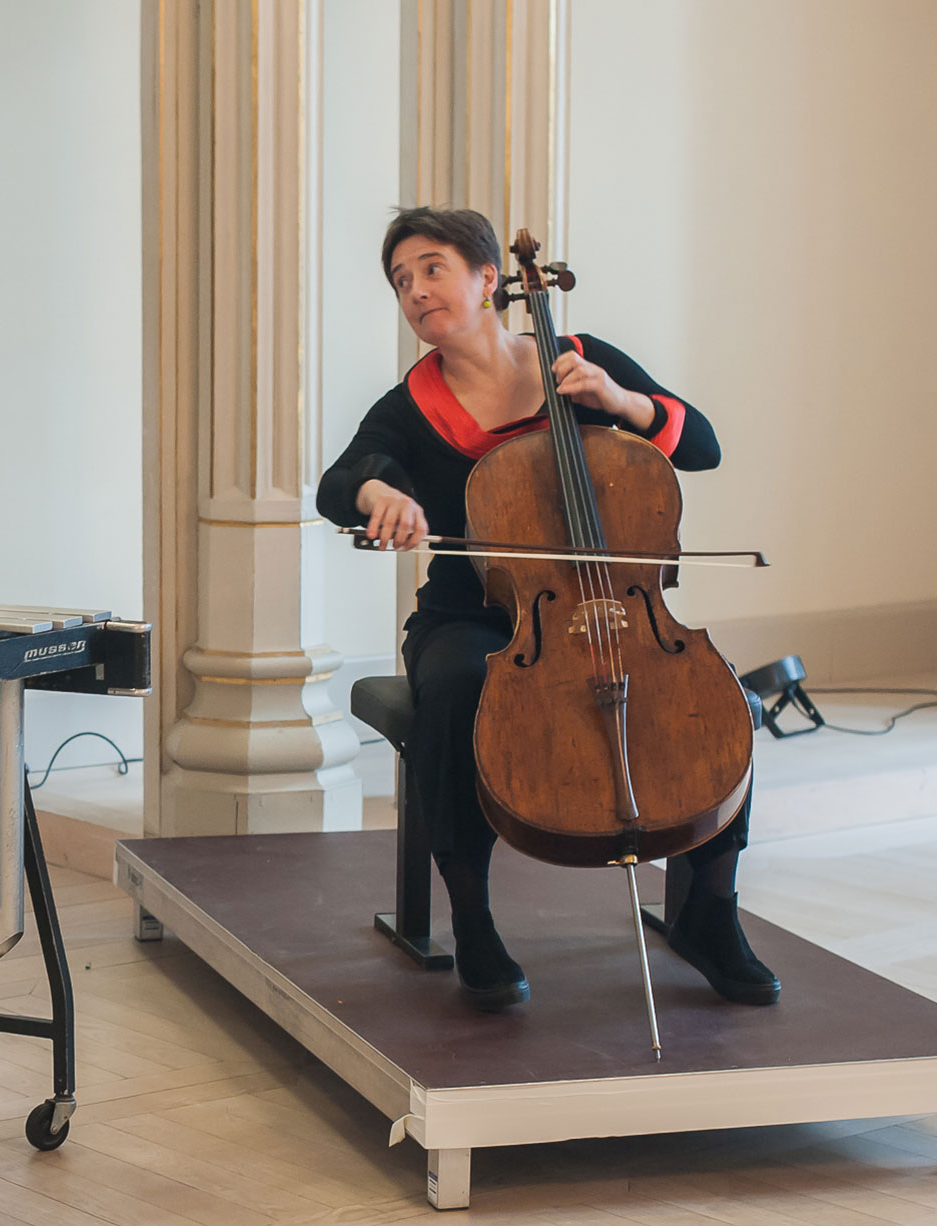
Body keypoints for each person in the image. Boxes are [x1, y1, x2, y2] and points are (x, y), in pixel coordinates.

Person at [316, 206, 780, 1013]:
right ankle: (473, 920)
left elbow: (699, 444)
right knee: (458, 690)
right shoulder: (410, 406)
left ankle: (711, 915)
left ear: (489, 279)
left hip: (618, 611)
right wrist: (378, 489)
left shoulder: (581, 362)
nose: (416, 291)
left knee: (723, 701)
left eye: (432, 268)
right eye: (400, 281)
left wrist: (624, 401)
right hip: (475, 620)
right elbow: (344, 478)